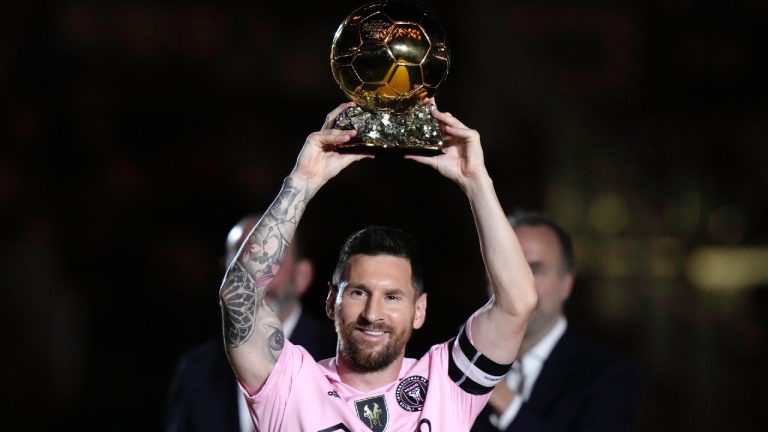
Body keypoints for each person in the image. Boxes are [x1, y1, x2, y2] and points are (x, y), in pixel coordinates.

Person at [218, 101, 538, 431]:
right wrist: (302, 181)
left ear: (419, 309)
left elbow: (518, 302)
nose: (373, 313)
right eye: (359, 292)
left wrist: (476, 182)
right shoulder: (290, 384)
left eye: (393, 297)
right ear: (331, 301)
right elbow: (238, 296)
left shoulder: (447, 383)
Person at [164, 214, 337, 432]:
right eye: (239, 261)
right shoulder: (198, 369)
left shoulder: (336, 359)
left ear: (302, 275)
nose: (251, 275)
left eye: (269, 258)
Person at [471, 210, 639, 432]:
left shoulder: (608, 375)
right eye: (506, 266)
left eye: (535, 269)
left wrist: (505, 402)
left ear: (566, 284)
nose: (519, 282)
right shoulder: (455, 362)